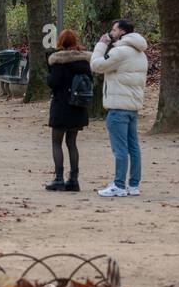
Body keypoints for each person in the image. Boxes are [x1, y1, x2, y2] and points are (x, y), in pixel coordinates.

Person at [91, 19, 149, 197]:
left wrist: (101, 45)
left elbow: (96, 65)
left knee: (120, 149)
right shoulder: (140, 53)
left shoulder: (120, 52)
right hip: (132, 107)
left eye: (113, 30)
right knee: (133, 147)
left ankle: (118, 185)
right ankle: (133, 184)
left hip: (117, 108)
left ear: (122, 32)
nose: (111, 32)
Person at [45, 29, 92, 191]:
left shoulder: (58, 61)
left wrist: (47, 76)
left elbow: (53, 83)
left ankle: (58, 178)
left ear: (61, 42)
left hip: (61, 105)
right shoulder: (84, 62)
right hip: (78, 106)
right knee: (72, 143)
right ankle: (73, 179)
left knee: (56, 142)